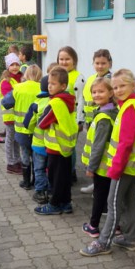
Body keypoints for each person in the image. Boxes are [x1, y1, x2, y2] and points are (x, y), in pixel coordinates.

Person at [79, 69, 135, 256]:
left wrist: (115, 169)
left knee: (113, 204)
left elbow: (125, 143)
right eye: (115, 87)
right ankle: (130, 238)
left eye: (122, 86)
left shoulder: (129, 109)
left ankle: (104, 242)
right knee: (129, 202)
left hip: (123, 167)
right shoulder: (133, 105)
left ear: (133, 86)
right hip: (131, 167)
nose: (118, 90)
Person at [34, 66, 77, 215]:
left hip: (56, 146)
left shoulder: (56, 102)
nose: (49, 86)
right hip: (66, 146)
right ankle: (66, 203)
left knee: (55, 178)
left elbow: (42, 122)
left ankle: (54, 204)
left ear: (63, 86)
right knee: (64, 177)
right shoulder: (68, 99)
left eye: (53, 84)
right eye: (49, 83)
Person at [80, 77, 118, 237]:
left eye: (101, 91)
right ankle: (115, 228)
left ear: (110, 93)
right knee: (110, 198)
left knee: (100, 196)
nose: (96, 95)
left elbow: (98, 146)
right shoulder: (111, 112)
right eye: (94, 92)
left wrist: (91, 167)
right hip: (109, 165)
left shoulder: (103, 117)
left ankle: (94, 226)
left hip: (102, 166)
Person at [2, 65, 42, 190]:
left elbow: (5, 103)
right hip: (38, 131)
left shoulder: (17, 88)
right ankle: (37, 181)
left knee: (25, 153)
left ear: (26, 74)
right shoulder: (42, 88)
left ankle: (26, 182)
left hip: (21, 129)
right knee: (37, 156)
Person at [80, 49, 113, 194]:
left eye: (103, 63)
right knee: (94, 150)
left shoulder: (110, 80)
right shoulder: (92, 79)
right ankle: (96, 184)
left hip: (103, 121)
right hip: (91, 120)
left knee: (101, 153)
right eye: (97, 63)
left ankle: (101, 187)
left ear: (109, 63)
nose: (100, 66)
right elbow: (85, 99)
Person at [57, 46, 85, 184]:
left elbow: (81, 100)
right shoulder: (57, 75)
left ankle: (71, 171)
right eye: (61, 59)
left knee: (70, 146)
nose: (64, 62)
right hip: (59, 118)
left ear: (74, 61)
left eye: (67, 59)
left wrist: (80, 120)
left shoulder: (77, 77)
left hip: (72, 119)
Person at [25, 75, 53, 204]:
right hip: (53, 144)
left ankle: (41, 192)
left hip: (38, 144)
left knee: (39, 169)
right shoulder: (56, 102)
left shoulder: (36, 104)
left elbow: (28, 123)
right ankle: (52, 190)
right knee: (52, 168)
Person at [0, 53, 23, 175]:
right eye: (12, 65)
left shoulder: (22, 78)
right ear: (8, 66)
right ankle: (10, 163)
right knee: (10, 139)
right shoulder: (6, 81)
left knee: (17, 140)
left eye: (17, 64)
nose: (15, 67)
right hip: (10, 116)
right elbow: (9, 98)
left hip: (19, 115)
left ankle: (17, 160)